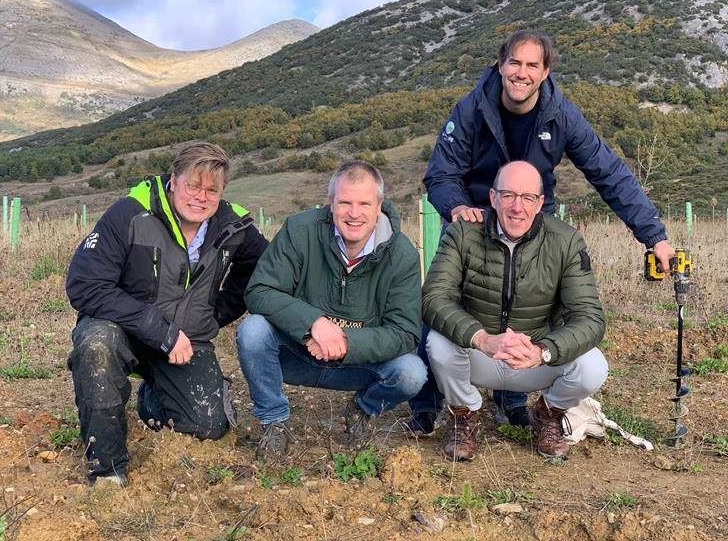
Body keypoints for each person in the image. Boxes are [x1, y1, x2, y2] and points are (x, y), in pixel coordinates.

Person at [408, 28, 674, 434]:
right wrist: (457, 207)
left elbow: (608, 172)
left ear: (545, 71)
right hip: (474, 216)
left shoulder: (561, 114)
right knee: (442, 302)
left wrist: (653, 234)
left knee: (527, 301)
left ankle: (513, 400)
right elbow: (441, 174)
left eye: (532, 65)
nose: (522, 73)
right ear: (501, 65)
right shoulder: (471, 109)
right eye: (514, 62)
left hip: (532, 217)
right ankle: (428, 404)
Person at [66, 142, 267, 486]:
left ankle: (151, 397)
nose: (201, 197)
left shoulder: (233, 225)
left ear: (222, 192)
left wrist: (216, 312)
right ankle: (107, 468)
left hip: (187, 339)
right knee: (97, 345)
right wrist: (159, 329)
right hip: (123, 329)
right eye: (193, 185)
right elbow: (86, 285)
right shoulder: (130, 213)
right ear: (173, 180)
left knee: (208, 425)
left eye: (212, 190)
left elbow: (263, 267)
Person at [237, 160, 426, 459]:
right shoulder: (299, 230)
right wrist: (313, 323)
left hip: (358, 365)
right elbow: (259, 290)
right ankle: (274, 423)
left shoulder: (402, 254)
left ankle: (362, 409)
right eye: (345, 202)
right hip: (297, 353)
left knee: (411, 372)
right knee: (253, 331)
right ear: (330, 203)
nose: (354, 213)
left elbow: (404, 332)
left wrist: (346, 342)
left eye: (364, 203)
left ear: (379, 206)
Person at [423, 161, 608, 460]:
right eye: (507, 195)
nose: (516, 207)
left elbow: (590, 317)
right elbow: (434, 297)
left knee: (593, 366)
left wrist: (543, 351)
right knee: (438, 342)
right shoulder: (462, 233)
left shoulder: (565, 240)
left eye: (527, 197)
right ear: (493, 198)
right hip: (480, 353)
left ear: (540, 203)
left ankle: (548, 414)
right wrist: (482, 338)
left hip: (532, 358)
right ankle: (464, 415)